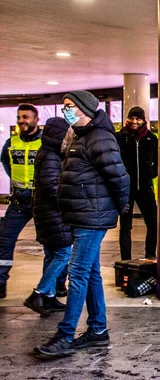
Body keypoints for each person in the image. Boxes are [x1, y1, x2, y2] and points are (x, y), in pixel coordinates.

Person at [35, 90, 130, 358]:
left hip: (92, 216)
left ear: (83, 109)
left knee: (77, 273)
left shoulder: (99, 137)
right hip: (83, 214)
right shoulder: (81, 137)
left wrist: (119, 208)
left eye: (68, 106)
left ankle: (65, 335)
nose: (64, 111)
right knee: (90, 273)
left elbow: (120, 179)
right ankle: (98, 330)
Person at [24, 118, 73, 316]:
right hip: (53, 214)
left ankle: (50, 297)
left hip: (46, 213)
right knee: (64, 254)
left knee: (52, 254)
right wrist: (68, 204)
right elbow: (52, 187)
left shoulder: (48, 154)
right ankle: (39, 293)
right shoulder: (52, 157)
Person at [0, 103, 42, 299]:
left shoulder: (45, 143)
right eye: (19, 117)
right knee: (4, 240)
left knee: (54, 244)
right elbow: (6, 163)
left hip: (42, 200)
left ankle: (56, 285)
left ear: (36, 119)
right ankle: (0, 283)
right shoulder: (11, 142)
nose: (21, 121)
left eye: (26, 117)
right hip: (18, 200)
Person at [117, 107, 158, 260]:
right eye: (132, 118)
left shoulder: (151, 138)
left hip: (145, 187)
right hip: (126, 188)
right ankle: (125, 260)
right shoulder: (120, 137)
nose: (134, 122)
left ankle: (149, 255)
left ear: (143, 120)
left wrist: (151, 173)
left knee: (153, 223)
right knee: (125, 226)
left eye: (138, 119)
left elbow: (157, 161)